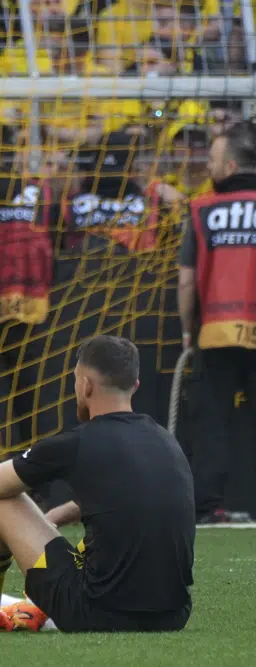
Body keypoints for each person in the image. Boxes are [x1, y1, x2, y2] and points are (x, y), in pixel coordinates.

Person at [0, 335, 195, 633]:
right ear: (134, 386)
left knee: (0, 502)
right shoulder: (165, 440)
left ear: (85, 386)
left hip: (98, 614)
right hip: (174, 615)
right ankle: (38, 608)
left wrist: (19, 528)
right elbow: (130, 496)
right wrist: (58, 515)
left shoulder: (78, 442)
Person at [178, 120, 256, 524]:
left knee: (212, 422)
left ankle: (208, 506)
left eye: (211, 159)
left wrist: (186, 330)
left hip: (217, 330)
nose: (207, 166)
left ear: (230, 166)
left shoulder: (201, 208)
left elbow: (186, 279)